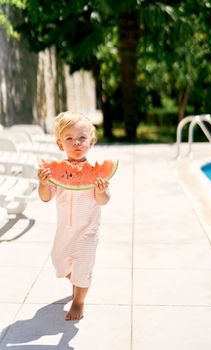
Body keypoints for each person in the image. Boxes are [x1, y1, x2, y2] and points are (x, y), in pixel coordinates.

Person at [37, 111, 110, 321]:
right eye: (69, 138)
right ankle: (76, 280)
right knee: (58, 261)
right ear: (60, 145)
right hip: (64, 230)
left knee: (83, 265)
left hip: (88, 230)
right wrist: (43, 184)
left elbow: (104, 200)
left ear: (91, 142)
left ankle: (79, 300)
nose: (76, 143)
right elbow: (45, 197)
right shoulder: (56, 174)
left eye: (82, 138)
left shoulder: (96, 174)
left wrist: (101, 190)